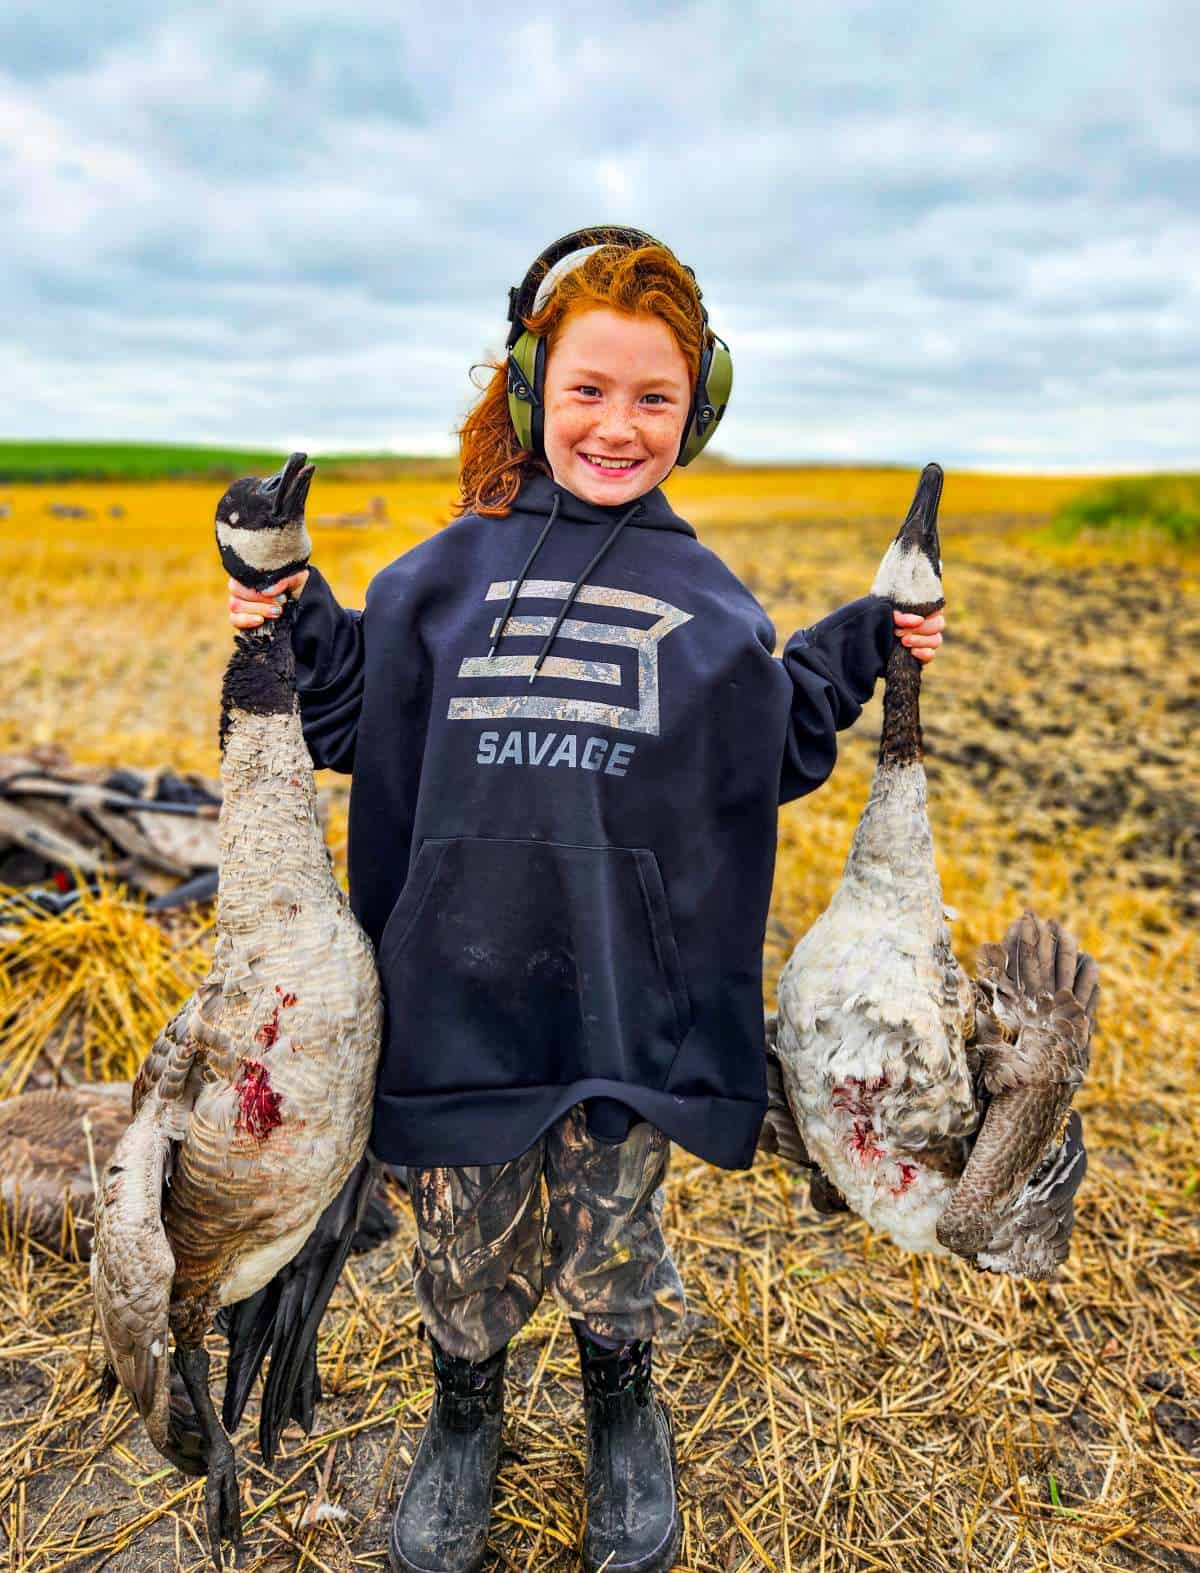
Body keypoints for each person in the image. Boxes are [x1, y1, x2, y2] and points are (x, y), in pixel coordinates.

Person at [227, 227, 945, 1573]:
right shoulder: (440, 579)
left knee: (614, 1246)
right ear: (527, 389)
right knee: (465, 1256)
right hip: (457, 1000)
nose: (618, 426)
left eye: (654, 398)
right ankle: (465, 1416)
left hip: (624, 1006)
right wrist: (280, 608)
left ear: (701, 406)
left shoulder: (711, 607)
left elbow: (776, 738)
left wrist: (868, 639)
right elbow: (350, 719)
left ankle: (623, 1409)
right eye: (589, 391)